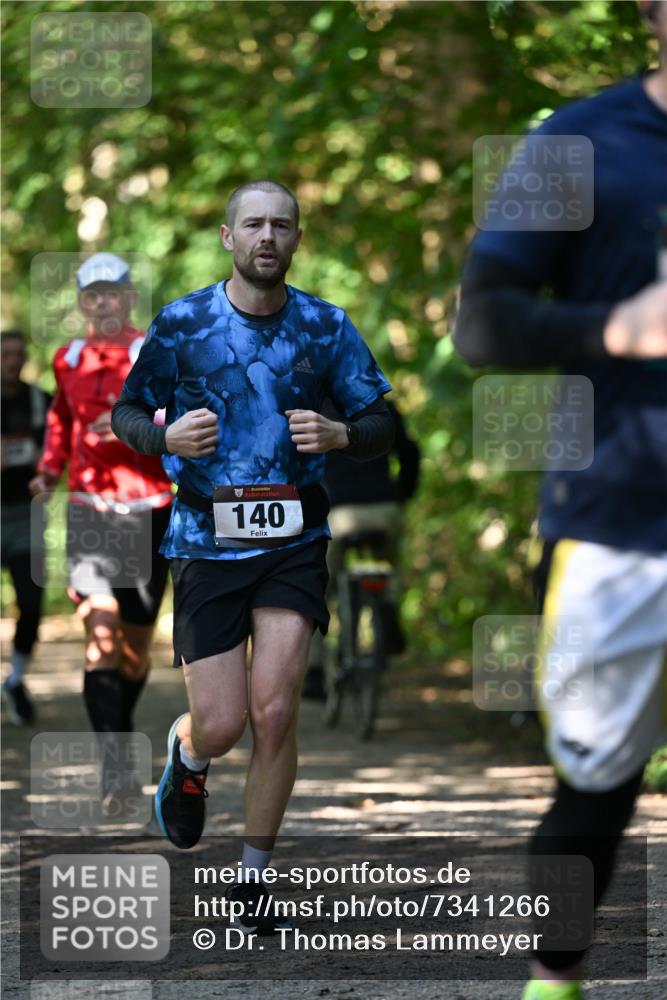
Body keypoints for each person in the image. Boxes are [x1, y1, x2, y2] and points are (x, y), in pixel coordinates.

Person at [111, 179, 393, 931]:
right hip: (205, 542)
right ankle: (190, 753)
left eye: (282, 225)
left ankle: (252, 880)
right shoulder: (183, 324)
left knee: (274, 711)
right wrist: (162, 438)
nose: (267, 236)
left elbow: (380, 420)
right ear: (229, 238)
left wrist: (341, 436)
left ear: (296, 240)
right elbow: (128, 411)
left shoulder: (326, 327)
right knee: (225, 722)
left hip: (294, 542)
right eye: (253, 224)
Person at [454, 3, 667, 998]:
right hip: (623, 521)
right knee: (595, 784)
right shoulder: (576, 140)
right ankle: (554, 978)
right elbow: (483, 325)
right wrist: (610, 332)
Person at [30, 253, 173, 808]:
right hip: (89, 507)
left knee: (134, 650)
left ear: (130, 297)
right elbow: (61, 419)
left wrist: (127, 429)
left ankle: (122, 720)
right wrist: (49, 467)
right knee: (102, 634)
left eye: (114, 291)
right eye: (93, 293)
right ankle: (115, 764)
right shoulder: (66, 359)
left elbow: (179, 417)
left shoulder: (151, 353)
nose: (104, 301)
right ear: (82, 301)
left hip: (150, 507)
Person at [302, 397, 420, 699]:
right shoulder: (384, 408)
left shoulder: (313, 408)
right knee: (389, 563)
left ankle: (314, 672)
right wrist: (401, 494)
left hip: (337, 514)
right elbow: (410, 453)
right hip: (383, 508)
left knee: (316, 588)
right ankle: (388, 604)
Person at [1, 330, 51, 725]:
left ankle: (15, 680)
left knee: (31, 604)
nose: (12, 361)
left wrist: (48, 474)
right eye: (5, 354)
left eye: (18, 354)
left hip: (26, 516)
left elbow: (64, 446)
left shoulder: (41, 402)